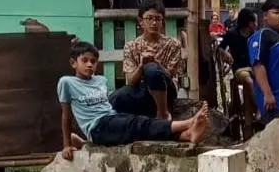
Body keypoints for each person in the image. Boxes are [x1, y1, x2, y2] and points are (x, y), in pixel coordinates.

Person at [59, 41, 208, 156]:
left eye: (93, 61)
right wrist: (66, 145)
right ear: (73, 63)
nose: (89, 64)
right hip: (97, 127)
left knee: (140, 129)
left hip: (112, 118)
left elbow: (107, 107)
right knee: (139, 124)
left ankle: (186, 135)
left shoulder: (100, 80)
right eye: (84, 61)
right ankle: (188, 123)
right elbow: (66, 115)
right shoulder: (67, 82)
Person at [111, 0, 184, 120]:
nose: (154, 22)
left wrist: (155, 64)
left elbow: (170, 75)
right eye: (149, 18)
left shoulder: (173, 44)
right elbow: (131, 81)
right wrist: (141, 66)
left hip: (166, 91)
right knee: (115, 98)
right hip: (141, 90)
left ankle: (163, 114)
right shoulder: (131, 46)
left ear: (163, 22)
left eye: (158, 19)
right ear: (141, 22)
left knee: (152, 69)